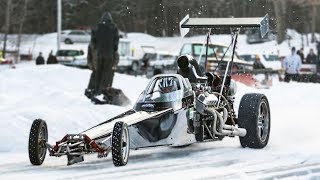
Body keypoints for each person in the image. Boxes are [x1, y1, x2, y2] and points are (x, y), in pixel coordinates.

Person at [94, 12, 119, 95]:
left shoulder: (97, 27)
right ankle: (104, 90)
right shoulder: (114, 27)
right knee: (107, 72)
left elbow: (93, 40)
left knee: (99, 72)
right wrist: (114, 49)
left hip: (99, 53)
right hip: (109, 54)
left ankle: (97, 90)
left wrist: (96, 48)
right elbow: (116, 41)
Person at [84, 29, 98, 99]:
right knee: (93, 80)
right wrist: (91, 65)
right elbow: (89, 56)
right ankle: (90, 92)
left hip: (101, 65)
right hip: (94, 66)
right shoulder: (91, 44)